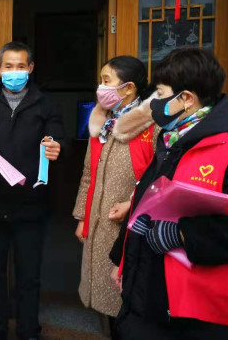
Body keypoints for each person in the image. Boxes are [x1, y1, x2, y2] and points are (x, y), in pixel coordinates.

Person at [109, 48, 228, 340]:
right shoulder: (172, 142)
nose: (154, 103)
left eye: (161, 94)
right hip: (145, 295)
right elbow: (145, 204)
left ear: (186, 98)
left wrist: (182, 234)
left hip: (193, 316)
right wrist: (122, 261)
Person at [0, 42, 64, 340]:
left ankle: (28, 331)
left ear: (30, 68)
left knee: (29, 275)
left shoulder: (44, 103)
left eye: (20, 66)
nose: (14, 72)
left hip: (31, 204)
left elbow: (60, 138)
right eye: (8, 66)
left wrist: (58, 147)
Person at [73, 56, 159, 327]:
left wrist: (131, 203)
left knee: (125, 298)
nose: (100, 87)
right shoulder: (102, 121)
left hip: (130, 224)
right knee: (102, 298)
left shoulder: (152, 125)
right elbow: (88, 173)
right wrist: (82, 216)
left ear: (129, 88)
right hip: (97, 221)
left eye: (106, 81)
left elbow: (161, 178)